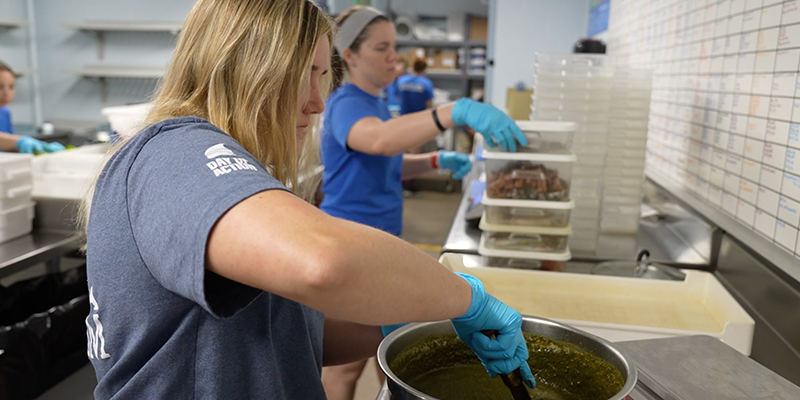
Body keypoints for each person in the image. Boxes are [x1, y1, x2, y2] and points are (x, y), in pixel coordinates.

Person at [79, 1, 534, 399]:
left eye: (322, 77)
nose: (317, 104)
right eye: (305, 77)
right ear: (250, 69)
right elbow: (326, 262)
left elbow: (286, 332)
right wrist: (462, 297)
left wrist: (404, 319)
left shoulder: (225, 166)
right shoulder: (176, 152)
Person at [319, 6, 529, 400]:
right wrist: (455, 110)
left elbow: (386, 164)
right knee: (346, 369)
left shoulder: (377, 102)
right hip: (349, 244)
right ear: (349, 55)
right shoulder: (347, 102)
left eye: (394, 47)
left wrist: (434, 161)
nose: (392, 57)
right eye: (381, 48)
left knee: (392, 351)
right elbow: (379, 140)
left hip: (381, 242)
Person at [0, 61, 65, 154]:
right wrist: (20, 141)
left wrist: (41, 147)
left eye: (11, 86)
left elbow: (6, 146)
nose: (6, 93)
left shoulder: (4, 112)